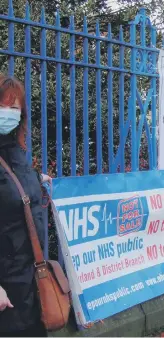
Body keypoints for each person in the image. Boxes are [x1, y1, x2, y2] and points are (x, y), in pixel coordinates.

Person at [0, 75, 50, 337]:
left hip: (32, 285)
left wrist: (37, 181)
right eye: (3, 107)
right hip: (5, 295)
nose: (8, 114)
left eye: (14, 108)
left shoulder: (17, 153)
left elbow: (15, 192)